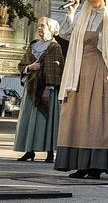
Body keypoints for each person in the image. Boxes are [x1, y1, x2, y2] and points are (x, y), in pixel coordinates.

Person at [55, 0, 108, 179]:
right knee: (78, 117)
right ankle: (81, 163)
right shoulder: (83, 14)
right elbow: (66, 34)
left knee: (97, 117)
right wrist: (70, 14)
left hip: (99, 70)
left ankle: (96, 164)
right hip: (78, 70)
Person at [14, 17, 64, 162]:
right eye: (39, 26)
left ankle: (49, 152)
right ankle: (29, 150)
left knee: (47, 119)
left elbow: (55, 68)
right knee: (29, 119)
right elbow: (22, 64)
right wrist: (30, 67)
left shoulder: (54, 47)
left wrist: (48, 88)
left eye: (43, 26)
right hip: (31, 87)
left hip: (46, 88)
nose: (40, 29)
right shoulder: (33, 45)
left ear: (51, 29)